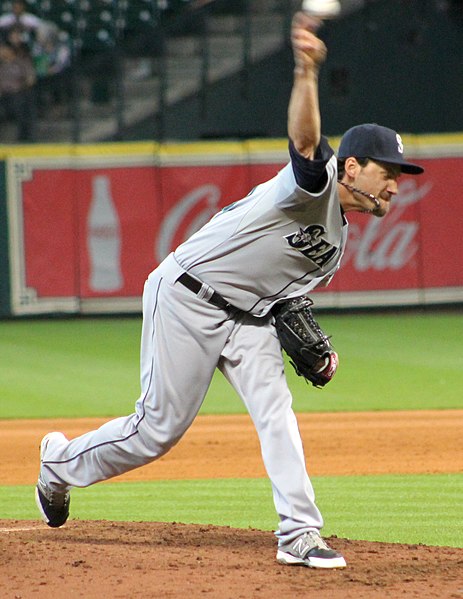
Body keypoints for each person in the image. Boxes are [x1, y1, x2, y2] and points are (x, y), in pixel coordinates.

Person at [35, 12, 424, 569]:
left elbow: (286, 297)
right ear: (352, 167)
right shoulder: (309, 190)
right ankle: (59, 464)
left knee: (277, 413)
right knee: (155, 433)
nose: (394, 182)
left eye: (400, 174)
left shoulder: (336, 247)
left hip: (248, 320)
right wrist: (307, 72)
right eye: (387, 170)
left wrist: (320, 348)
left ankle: (299, 533)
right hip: (187, 295)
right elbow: (307, 140)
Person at [0, 39, 36, 141]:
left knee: (21, 104)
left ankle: (23, 138)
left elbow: (30, 79)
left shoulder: (21, 62)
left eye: (2, 49)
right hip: (2, 95)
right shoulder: (1, 65)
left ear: (10, 50)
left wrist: (20, 88)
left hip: (18, 94)